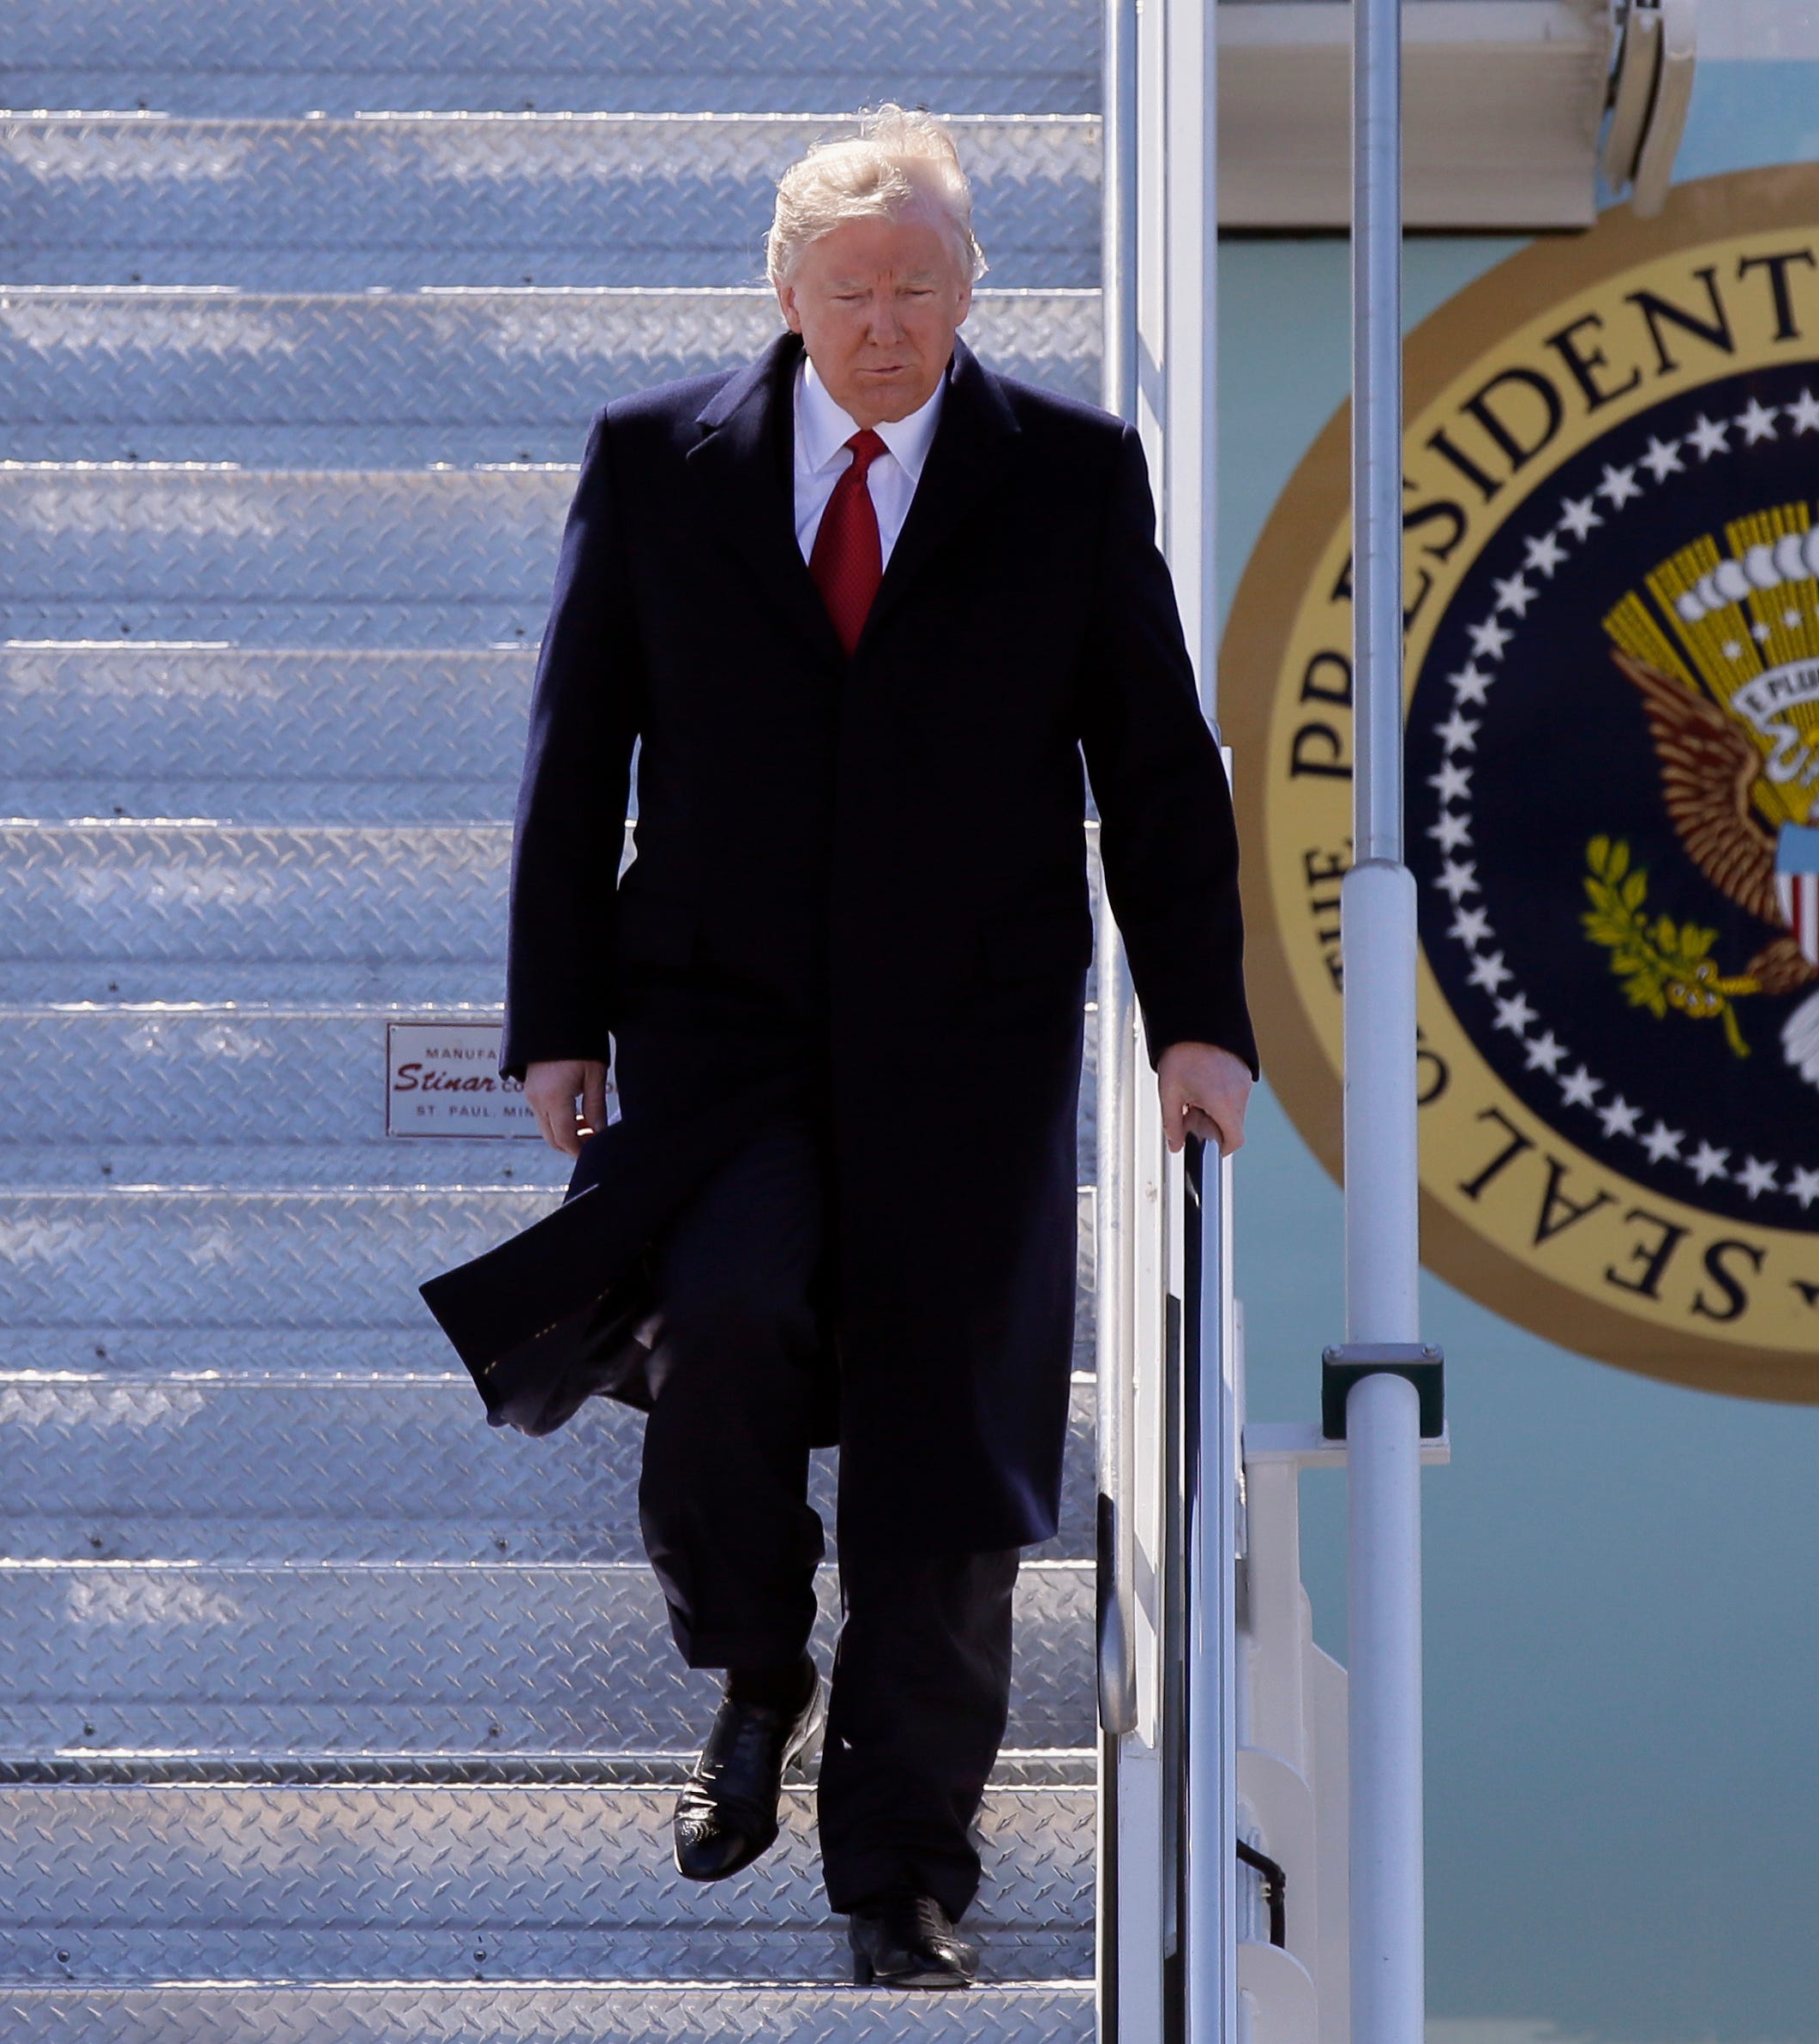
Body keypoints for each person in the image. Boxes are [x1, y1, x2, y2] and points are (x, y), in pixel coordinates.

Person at [498, 105, 1255, 1989]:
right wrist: (552, 1019)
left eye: (920, 286)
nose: (887, 323)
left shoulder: (1067, 477)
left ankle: (899, 1877)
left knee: (944, 1461)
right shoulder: (657, 463)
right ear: (787, 293)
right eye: (852, 291)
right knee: (725, 1325)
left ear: (969, 287)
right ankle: (759, 1662)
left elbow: (1155, 774)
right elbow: (574, 754)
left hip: (969, 1047)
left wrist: (1201, 1026)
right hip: (717, 1025)